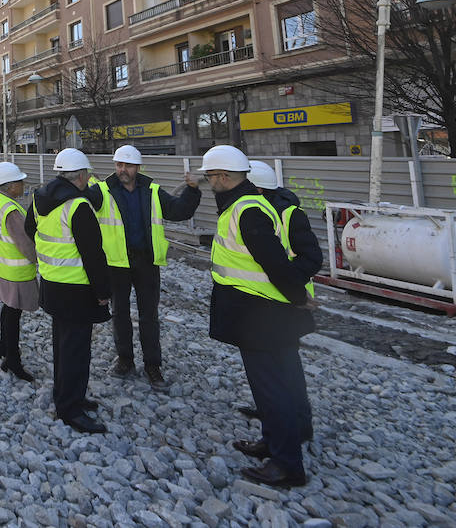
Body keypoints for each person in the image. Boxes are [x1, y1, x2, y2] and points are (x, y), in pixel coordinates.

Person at [201, 145, 318, 488]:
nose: (211, 183)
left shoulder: (246, 211)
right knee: (283, 380)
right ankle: (277, 442)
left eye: (211, 177)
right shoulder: (251, 206)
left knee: (271, 389)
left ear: (223, 176)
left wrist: (299, 298)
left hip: (259, 314)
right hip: (265, 311)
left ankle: (286, 465)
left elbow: (275, 264)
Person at [87, 144, 201, 388]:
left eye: (128, 165)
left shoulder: (153, 191)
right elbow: (78, 204)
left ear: (137, 167)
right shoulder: (102, 191)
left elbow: (179, 211)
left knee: (149, 315)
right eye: (119, 165)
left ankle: (152, 365)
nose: (123, 170)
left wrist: (192, 191)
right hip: (116, 263)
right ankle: (125, 359)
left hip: (146, 261)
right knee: (119, 314)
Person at [26, 148, 112, 434]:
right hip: (77, 289)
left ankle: (65, 395)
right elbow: (93, 255)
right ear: (83, 176)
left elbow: (30, 230)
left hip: (51, 285)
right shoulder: (79, 206)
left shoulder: (39, 198)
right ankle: (70, 409)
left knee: (63, 346)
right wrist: (103, 292)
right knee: (76, 349)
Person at [238, 160, 322, 437]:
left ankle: (297, 423)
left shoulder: (288, 215)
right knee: (274, 367)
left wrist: (285, 282)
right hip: (264, 304)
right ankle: (276, 412)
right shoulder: (257, 212)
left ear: (258, 188)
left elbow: (311, 258)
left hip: (287, 303)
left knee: (284, 366)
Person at [0, 161, 39, 382]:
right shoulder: (11, 211)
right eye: (20, 181)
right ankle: (13, 360)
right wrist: (42, 260)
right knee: (13, 315)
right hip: (14, 273)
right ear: (10, 186)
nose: (23, 184)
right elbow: (26, 246)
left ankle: (3, 348)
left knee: (8, 311)